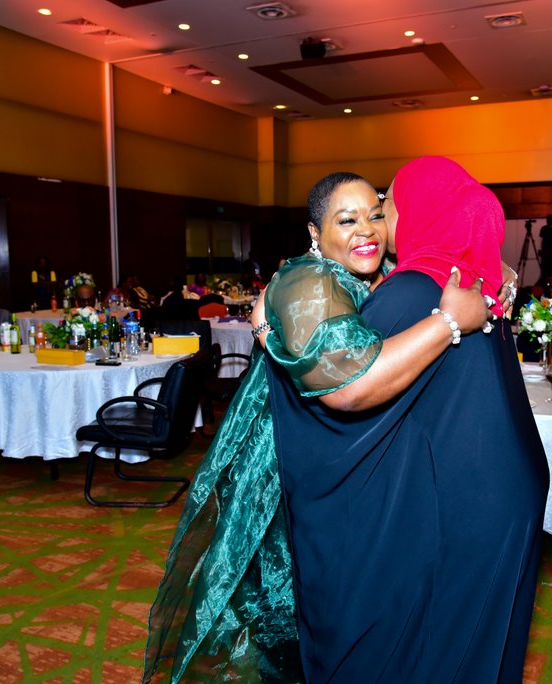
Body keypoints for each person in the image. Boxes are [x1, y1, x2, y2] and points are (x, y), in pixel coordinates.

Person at [142, 171, 495, 683]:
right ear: (315, 232)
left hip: (334, 445)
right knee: (289, 597)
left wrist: (500, 277)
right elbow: (346, 383)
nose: (366, 229)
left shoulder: (377, 271)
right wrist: (448, 322)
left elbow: (471, 257)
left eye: (376, 215)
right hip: (288, 456)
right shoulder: (311, 280)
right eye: (346, 220)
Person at [267, 157, 548, 682]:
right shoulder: (470, 278)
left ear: (419, 209)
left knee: (436, 645)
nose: (377, 223)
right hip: (504, 486)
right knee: (475, 644)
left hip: (468, 500)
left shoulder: (415, 289)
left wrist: (270, 340)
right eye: (353, 217)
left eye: (384, 207)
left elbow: (346, 390)